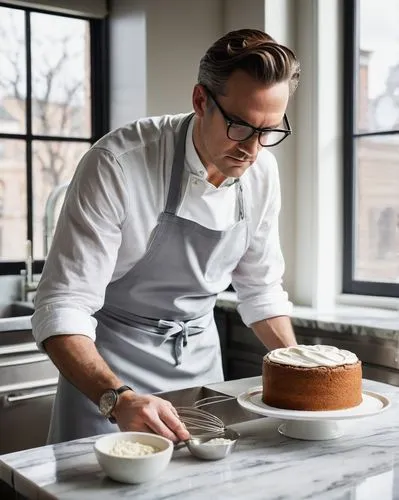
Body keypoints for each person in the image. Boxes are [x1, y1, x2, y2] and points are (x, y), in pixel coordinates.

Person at [32, 28, 300, 445]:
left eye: (268, 131)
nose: (252, 149)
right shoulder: (118, 164)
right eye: (240, 126)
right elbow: (62, 305)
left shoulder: (261, 172)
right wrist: (118, 399)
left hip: (200, 374)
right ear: (200, 101)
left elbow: (262, 290)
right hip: (108, 381)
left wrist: (299, 367)